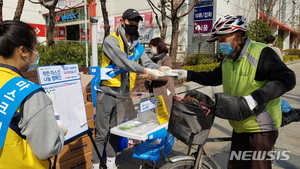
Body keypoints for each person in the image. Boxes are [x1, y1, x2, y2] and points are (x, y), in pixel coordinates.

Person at [174, 14, 296, 169]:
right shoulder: (228, 59)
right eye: (218, 40)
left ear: (238, 36)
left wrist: (253, 99)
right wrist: (185, 74)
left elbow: (287, 79)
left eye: (222, 39)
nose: (220, 43)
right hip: (239, 124)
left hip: (261, 129)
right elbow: (213, 77)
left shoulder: (261, 53)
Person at [92, 9, 170, 169]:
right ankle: (95, 166)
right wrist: (147, 71)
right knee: (101, 135)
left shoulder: (137, 45)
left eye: (136, 22)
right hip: (106, 94)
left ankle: (111, 164)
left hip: (123, 96)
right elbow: (123, 62)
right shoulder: (111, 40)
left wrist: (160, 69)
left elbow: (147, 62)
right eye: (131, 21)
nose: (134, 24)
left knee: (114, 132)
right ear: (123, 22)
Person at [0, 20, 67, 168]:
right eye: (35, 49)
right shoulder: (29, 94)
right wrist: (60, 132)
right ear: (22, 51)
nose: (36, 55)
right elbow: (46, 149)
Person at [139, 37, 176, 114]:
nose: (151, 49)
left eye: (152, 47)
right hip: (153, 93)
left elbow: (166, 76)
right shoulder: (153, 60)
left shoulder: (166, 59)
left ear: (158, 46)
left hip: (164, 92)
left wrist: (148, 76)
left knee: (164, 116)